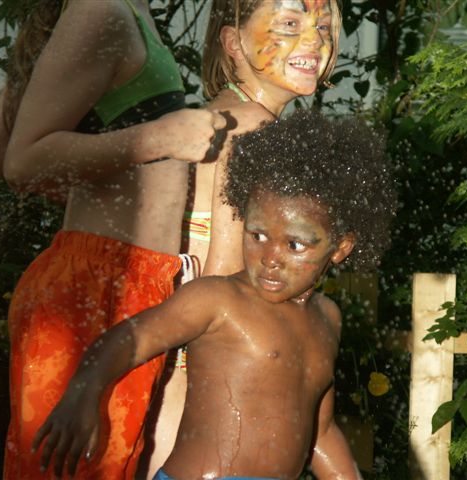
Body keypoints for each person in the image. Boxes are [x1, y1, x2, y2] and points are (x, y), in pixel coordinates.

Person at [32, 109, 397, 480]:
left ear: (340, 248)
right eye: (258, 235)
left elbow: (320, 431)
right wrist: (84, 393)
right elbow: (129, 338)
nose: (270, 257)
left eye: (295, 245)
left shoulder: (327, 318)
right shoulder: (218, 299)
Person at [0, 1, 225, 478]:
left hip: (122, 281)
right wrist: (160, 138)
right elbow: (21, 161)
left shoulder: (121, 11)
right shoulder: (101, 10)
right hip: (95, 287)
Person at [144, 0, 342, 474]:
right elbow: (227, 274)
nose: (314, 40)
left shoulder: (224, 115)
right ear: (233, 42)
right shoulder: (255, 127)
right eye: (290, 23)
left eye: (323, 26)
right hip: (196, 376)